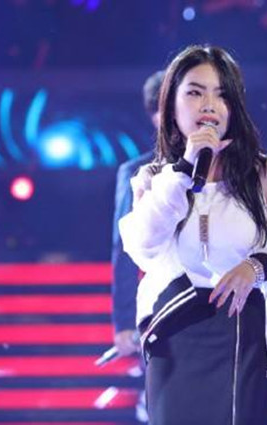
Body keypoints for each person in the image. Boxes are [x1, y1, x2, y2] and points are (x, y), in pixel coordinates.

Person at [119, 45, 267, 425]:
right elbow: (143, 248)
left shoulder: (265, 173)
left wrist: (257, 267)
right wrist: (185, 168)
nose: (209, 105)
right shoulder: (153, 179)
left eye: (222, 94)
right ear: (171, 105)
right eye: (195, 92)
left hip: (244, 336)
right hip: (174, 336)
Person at [111, 70, 165, 357]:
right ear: (155, 116)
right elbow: (123, 248)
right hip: (161, 309)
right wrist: (124, 320)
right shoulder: (137, 172)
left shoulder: (221, 166)